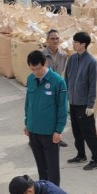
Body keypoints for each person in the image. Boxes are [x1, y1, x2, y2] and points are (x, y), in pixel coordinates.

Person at [24, 49, 68, 186]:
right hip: (34, 130)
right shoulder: (31, 79)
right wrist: (27, 123)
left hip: (50, 133)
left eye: (38, 69)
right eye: (32, 69)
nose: (36, 73)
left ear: (45, 63)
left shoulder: (58, 82)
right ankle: (44, 190)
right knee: (41, 165)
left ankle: (55, 193)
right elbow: (28, 103)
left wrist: (58, 130)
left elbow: (62, 108)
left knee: (52, 167)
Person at [64, 31, 97, 171]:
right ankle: (81, 155)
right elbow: (67, 78)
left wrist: (90, 104)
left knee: (89, 133)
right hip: (73, 102)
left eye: (76, 42)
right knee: (76, 131)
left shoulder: (91, 62)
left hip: (84, 105)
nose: (73, 44)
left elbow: (93, 85)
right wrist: (65, 95)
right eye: (73, 42)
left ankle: (96, 159)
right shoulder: (72, 59)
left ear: (83, 45)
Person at [41, 29, 69, 148]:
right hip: (45, 86)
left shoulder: (63, 55)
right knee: (44, 112)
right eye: (52, 38)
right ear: (47, 40)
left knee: (59, 112)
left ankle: (57, 137)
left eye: (57, 38)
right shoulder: (42, 55)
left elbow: (63, 71)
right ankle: (37, 136)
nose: (55, 40)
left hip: (57, 86)